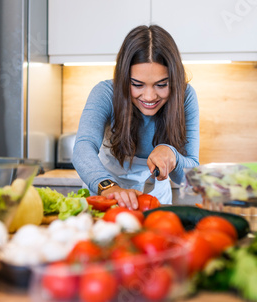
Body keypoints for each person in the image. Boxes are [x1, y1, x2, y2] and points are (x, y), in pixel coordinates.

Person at [72, 25, 200, 210]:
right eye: (137, 84)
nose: (149, 97)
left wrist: (173, 155)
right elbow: (83, 148)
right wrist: (109, 188)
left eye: (161, 84)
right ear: (124, 78)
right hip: (105, 193)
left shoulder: (185, 96)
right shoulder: (105, 92)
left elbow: (191, 177)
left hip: (154, 199)